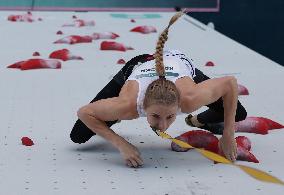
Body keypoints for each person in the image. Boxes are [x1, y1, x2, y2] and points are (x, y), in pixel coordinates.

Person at [71, 11, 247, 168]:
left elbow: (230, 83)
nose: (162, 126)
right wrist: (120, 143)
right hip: (138, 65)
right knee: (78, 135)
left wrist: (228, 133)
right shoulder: (128, 105)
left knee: (238, 114)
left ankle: (197, 120)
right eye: (155, 116)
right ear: (143, 106)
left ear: (179, 104)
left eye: (170, 116)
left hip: (176, 64)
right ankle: (113, 117)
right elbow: (84, 112)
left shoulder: (190, 98)